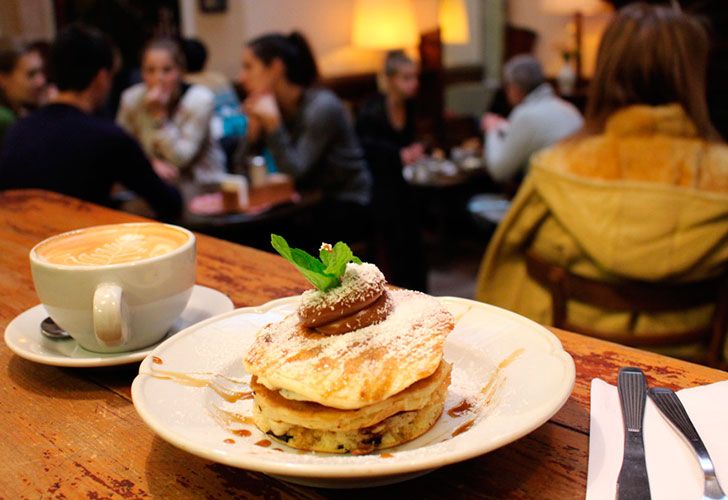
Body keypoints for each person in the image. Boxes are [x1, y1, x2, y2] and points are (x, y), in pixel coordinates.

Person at [475, 3, 728, 357]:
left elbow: (504, 293)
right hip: (698, 384)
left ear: (607, 71)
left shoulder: (555, 169)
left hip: (578, 370)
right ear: (694, 75)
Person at [0, 25, 182, 221]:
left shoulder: (18, 130)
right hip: (78, 244)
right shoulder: (108, 137)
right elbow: (169, 203)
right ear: (102, 78)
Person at [237, 31, 372, 243]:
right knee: (253, 234)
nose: (241, 77)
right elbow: (240, 174)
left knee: (271, 238)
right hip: (307, 203)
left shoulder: (322, 106)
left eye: (248, 66)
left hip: (346, 202)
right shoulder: (273, 107)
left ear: (276, 68)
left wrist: (273, 125)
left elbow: (296, 171)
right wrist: (252, 136)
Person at [117, 38, 225, 199]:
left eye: (167, 70)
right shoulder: (131, 98)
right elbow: (121, 148)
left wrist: (159, 116)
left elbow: (180, 159)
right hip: (152, 185)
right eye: (150, 70)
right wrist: (150, 164)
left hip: (200, 186)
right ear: (142, 73)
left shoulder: (200, 100)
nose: (158, 78)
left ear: (180, 71)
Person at [356, 50, 427, 291]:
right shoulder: (371, 109)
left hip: (405, 185)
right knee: (393, 232)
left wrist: (416, 149)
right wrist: (397, 155)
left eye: (415, 77)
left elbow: (414, 139)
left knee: (415, 235)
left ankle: (418, 290)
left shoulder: (412, 105)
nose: (414, 84)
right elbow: (364, 147)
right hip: (379, 185)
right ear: (390, 79)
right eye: (406, 78)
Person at [482, 54, 583, 184]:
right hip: (575, 192)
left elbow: (499, 172)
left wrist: (491, 129)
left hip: (549, 196)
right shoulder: (568, 108)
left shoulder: (525, 115)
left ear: (515, 88)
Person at [0, 39, 47, 146]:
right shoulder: (4, 119)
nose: (41, 81)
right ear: (3, 79)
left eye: (42, 72)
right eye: (31, 74)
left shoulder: (21, 113)